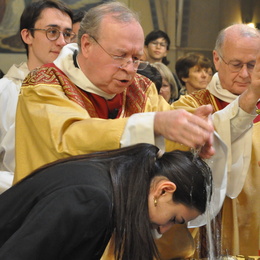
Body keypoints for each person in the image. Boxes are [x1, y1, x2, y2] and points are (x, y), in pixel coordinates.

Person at [13, 2, 249, 258]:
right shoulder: (45, 85)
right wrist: (154, 124)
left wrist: (195, 129)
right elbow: (68, 137)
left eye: (136, 58)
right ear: (87, 45)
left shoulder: (141, 87)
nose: (129, 67)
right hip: (63, 231)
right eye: (120, 55)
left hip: (127, 235)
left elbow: (168, 136)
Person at [0, 143, 213, 260]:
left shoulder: (110, 180)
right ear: (163, 190)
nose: (165, 229)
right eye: (174, 219)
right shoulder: (91, 199)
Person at [172, 23, 260, 258]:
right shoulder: (190, 106)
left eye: (252, 65)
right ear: (217, 59)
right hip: (211, 227)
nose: (244, 74)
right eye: (236, 64)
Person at [0, 0, 74, 194]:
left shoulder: (79, 92)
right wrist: (28, 188)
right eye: (52, 32)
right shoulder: (5, 91)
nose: (62, 42)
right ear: (27, 35)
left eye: (67, 34)